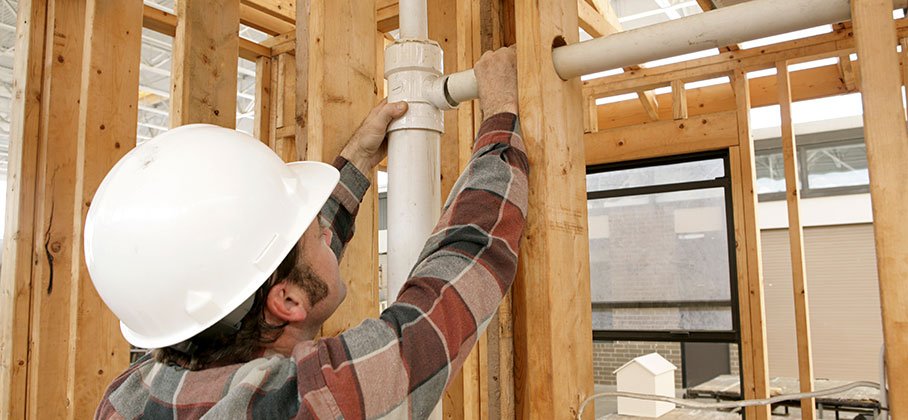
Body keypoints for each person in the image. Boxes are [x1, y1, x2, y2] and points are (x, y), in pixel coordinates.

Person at [90, 46, 525, 419]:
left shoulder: (126, 397)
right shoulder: (307, 401)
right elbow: (466, 262)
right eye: (313, 230)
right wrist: (501, 113)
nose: (323, 226)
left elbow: (278, 272)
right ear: (288, 302)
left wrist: (358, 157)